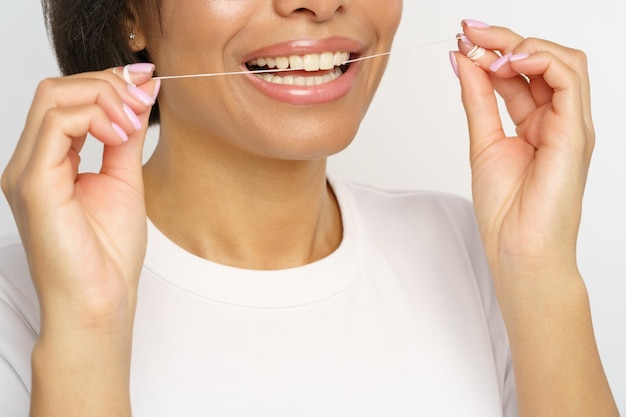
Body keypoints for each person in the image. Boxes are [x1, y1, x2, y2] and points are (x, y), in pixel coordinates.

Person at [0, 0, 619, 416]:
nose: (319, 3)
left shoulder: (474, 250)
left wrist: (539, 272)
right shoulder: (19, 304)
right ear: (130, 15)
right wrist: (87, 331)